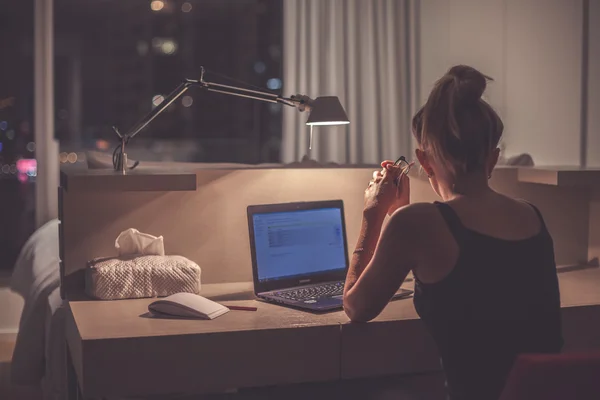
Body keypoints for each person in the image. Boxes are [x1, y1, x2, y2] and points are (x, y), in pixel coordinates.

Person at [342, 65, 563, 400]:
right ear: (493, 159)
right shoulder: (530, 215)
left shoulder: (417, 223)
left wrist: (374, 215)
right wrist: (400, 214)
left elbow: (356, 307)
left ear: (424, 160)